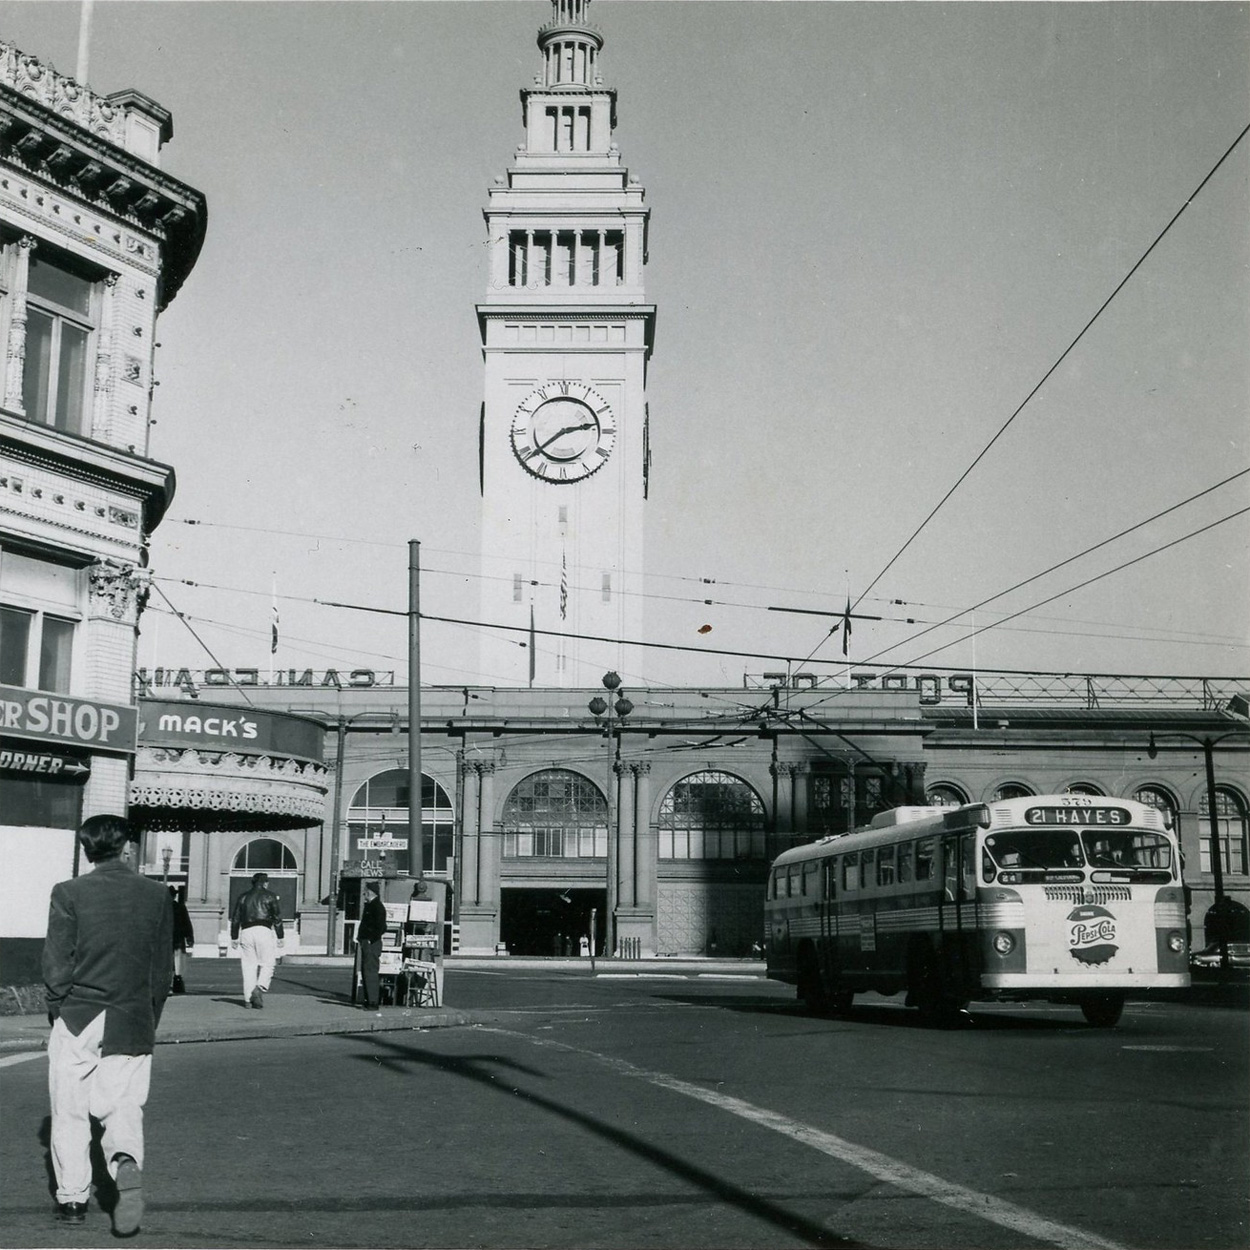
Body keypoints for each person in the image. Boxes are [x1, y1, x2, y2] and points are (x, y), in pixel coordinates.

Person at [43, 813, 173, 1235]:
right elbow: (162, 971)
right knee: (123, 1106)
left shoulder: (69, 892)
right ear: (126, 848)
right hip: (131, 1015)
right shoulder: (157, 895)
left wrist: (57, 1005)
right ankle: (124, 1164)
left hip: (80, 1013)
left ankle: (73, 1201)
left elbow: (57, 962)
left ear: (86, 850)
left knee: (69, 1111)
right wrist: (149, 1014)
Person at [229, 871, 284, 1009]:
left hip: (246, 931)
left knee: (248, 966)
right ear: (265, 883)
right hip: (264, 930)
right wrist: (280, 936)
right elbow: (276, 918)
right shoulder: (270, 896)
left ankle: (248, 1000)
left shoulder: (243, 897)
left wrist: (234, 937)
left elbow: (235, 918)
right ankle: (259, 988)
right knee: (268, 963)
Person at [356, 882, 389, 1010]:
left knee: (370, 971)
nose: (364, 893)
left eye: (366, 891)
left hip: (371, 943)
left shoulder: (377, 907)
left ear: (371, 892)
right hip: (368, 942)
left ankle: (373, 1002)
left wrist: (370, 938)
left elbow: (381, 927)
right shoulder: (372, 905)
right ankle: (369, 999)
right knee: (366, 970)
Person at [170, 887, 195, 994]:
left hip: (167, 938)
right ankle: (177, 980)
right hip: (178, 937)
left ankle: (170, 984)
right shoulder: (180, 907)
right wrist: (189, 937)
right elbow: (186, 923)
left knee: (168, 962)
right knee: (178, 961)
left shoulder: (162, 907)